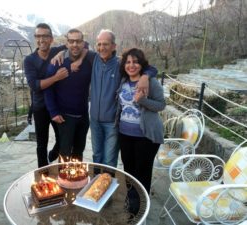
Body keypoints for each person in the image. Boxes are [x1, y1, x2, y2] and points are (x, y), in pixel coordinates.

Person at [90, 29, 158, 167]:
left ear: (114, 46)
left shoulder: (121, 64)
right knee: (97, 155)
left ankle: (108, 185)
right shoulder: (93, 59)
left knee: (109, 159)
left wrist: (145, 76)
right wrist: (61, 52)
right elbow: (74, 49)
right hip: (94, 121)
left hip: (112, 122)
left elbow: (151, 68)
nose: (101, 47)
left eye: (106, 44)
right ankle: (96, 185)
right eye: (99, 44)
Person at [116, 48, 165, 193]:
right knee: (128, 170)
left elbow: (161, 105)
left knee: (142, 173)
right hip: (125, 134)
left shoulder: (151, 82)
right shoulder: (123, 81)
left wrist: (143, 100)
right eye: (128, 62)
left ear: (142, 64)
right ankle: (131, 201)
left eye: (136, 62)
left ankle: (142, 205)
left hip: (146, 137)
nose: (131, 65)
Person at [44, 29, 94, 162]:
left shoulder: (89, 61)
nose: (75, 44)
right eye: (71, 41)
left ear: (83, 43)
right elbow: (48, 89)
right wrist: (53, 112)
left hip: (83, 116)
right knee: (64, 153)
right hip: (65, 117)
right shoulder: (57, 62)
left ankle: (77, 180)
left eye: (78, 41)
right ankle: (63, 181)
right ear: (67, 43)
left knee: (79, 151)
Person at [24, 23, 69, 168]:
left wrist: (64, 52)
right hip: (40, 108)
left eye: (45, 36)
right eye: (38, 36)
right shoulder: (29, 60)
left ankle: (56, 157)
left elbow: (82, 44)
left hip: (57, 106)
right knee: (41, 144)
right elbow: (35, 86)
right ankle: (42, 175)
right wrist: (56, 78)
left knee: (62, 139)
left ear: (51, 39)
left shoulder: (56, 51)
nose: (41, 39)